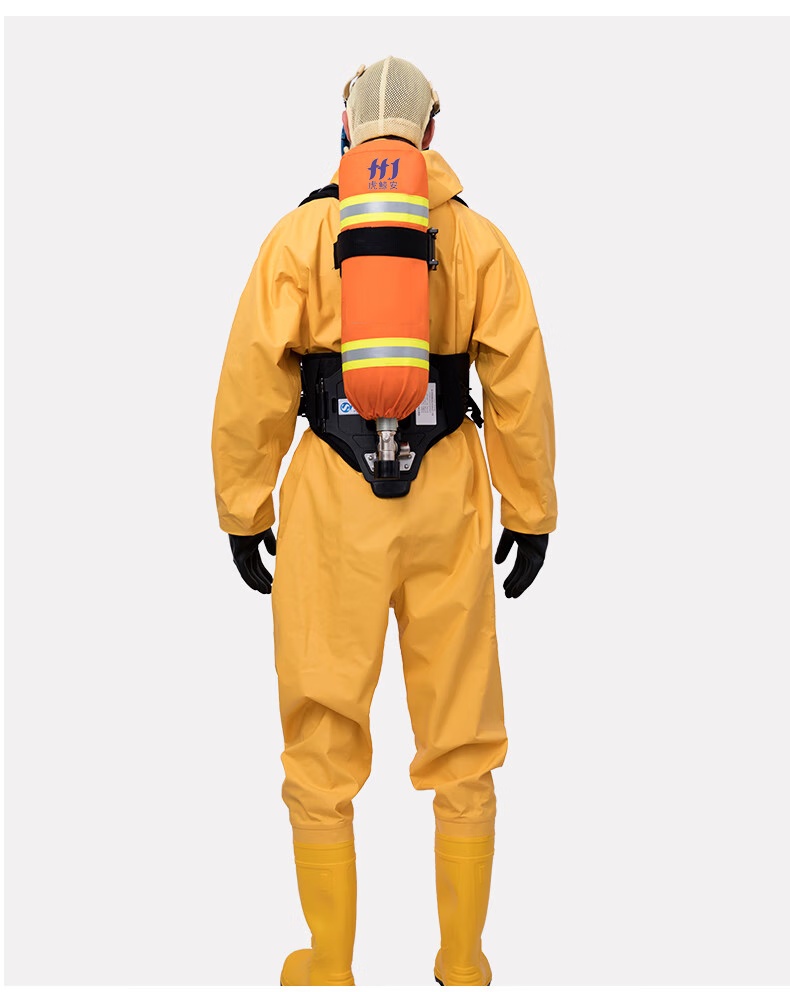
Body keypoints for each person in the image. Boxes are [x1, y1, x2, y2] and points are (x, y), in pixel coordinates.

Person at [211, 56, 557, 987]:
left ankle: (327, 962)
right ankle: (463, 959)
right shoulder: (477, 241)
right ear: (430, 133)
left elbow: (252, 380)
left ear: (345, 127)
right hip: (448, 495)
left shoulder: (301, 236)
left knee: (322, 734)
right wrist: (530, 508)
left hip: (332, 496)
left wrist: (243, 507)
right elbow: (519, 383)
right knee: (462, 733)